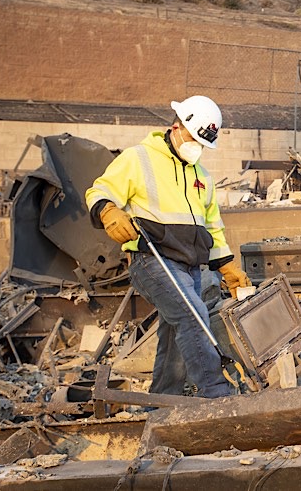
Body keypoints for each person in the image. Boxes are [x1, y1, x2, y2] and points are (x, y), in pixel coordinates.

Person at [85, 95, 251, 398]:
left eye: (203, 143)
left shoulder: (203, 177)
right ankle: (215, 393)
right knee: (192, 314)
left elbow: (212, 228)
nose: (196, 148)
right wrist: (108, 211)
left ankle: (162, 401)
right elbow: (99, 190)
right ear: (177, 126)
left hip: (190, 267)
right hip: (152, 260)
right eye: (193, 139)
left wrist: (228, 268)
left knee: (175, 335)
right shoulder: (139, 158)